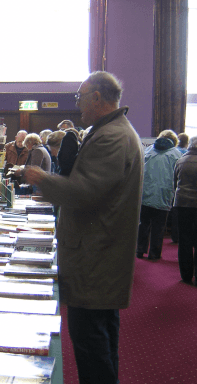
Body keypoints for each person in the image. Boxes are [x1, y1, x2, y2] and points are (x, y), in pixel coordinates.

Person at [24, 71, 143, 384]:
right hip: (99, 254)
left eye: (80, 97)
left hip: (96, 258)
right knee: (100, 340)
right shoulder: (110, 131)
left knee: (91, 343)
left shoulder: (111, 136)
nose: (77, 104)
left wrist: (41, 179)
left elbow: (84, 192)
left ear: (97, 98)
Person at [136, 129, 181, 260]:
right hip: (164, 194)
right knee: (159, 227)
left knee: (143, 224)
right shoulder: (176, 155)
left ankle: (140, 249)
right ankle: (154, 253)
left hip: (145, 193)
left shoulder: (148, 150)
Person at [173, 136, 197, 284]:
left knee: (185, 240)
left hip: (182, 204)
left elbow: (175, 182)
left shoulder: (181, 160)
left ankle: (186, 275)